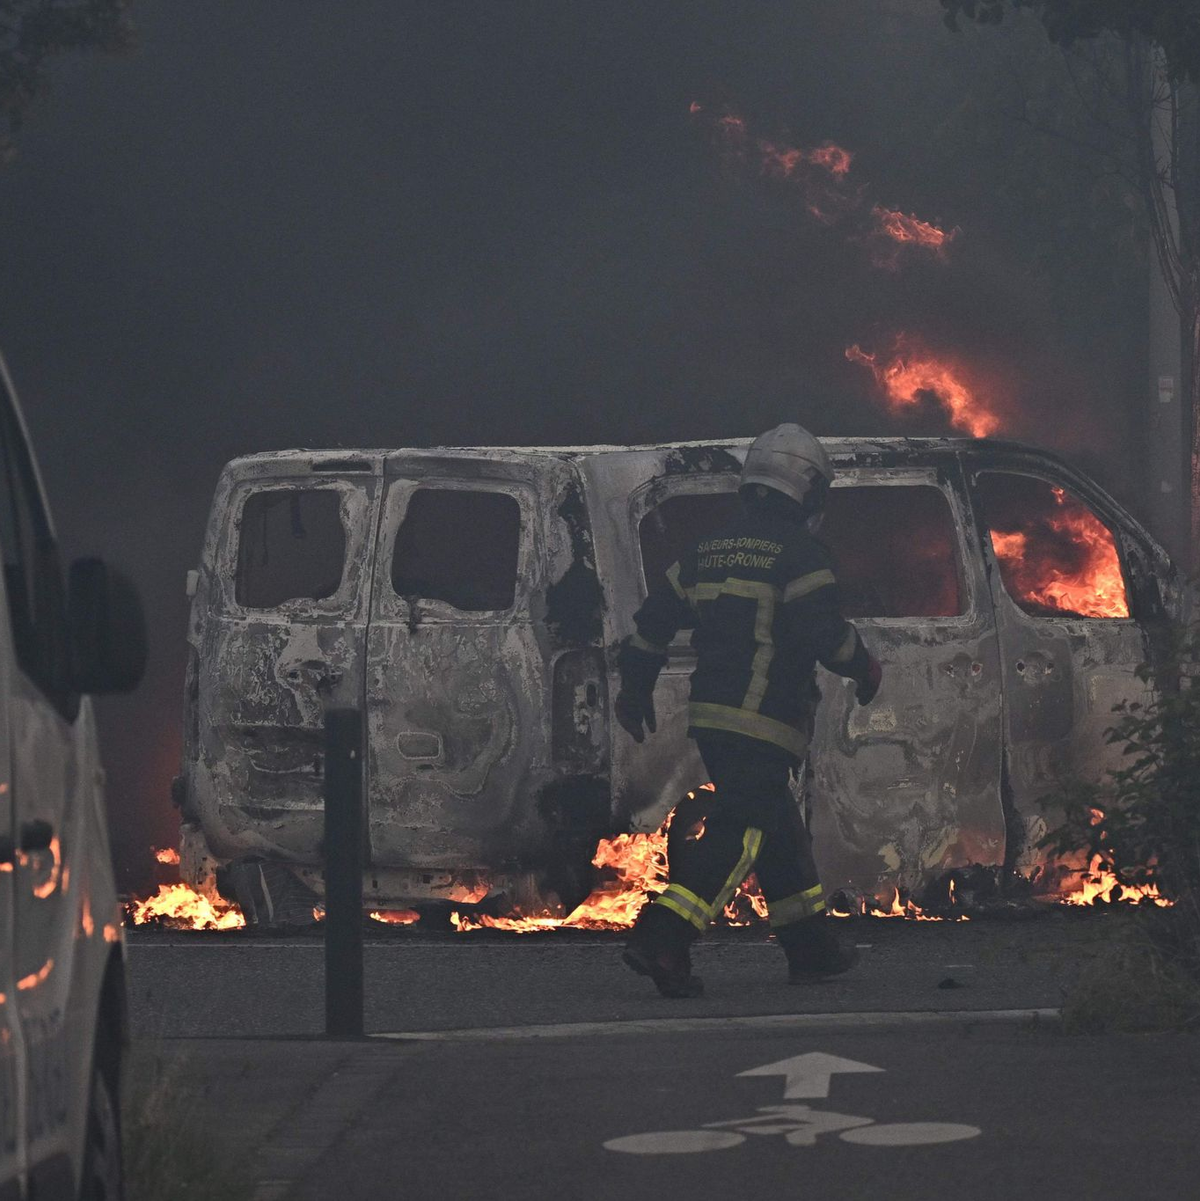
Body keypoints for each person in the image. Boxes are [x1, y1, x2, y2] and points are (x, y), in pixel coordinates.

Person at [615, 423, 882, 998]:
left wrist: (634, 690)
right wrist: (865, 667)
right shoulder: (800, 554)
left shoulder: (705, 551)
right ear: (808, 490)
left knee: (777, 825)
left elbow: (651, 626)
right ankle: (665, 934)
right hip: (767, 719)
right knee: (745, 828)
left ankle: (811, 949)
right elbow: (824, 635)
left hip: (714, 716)